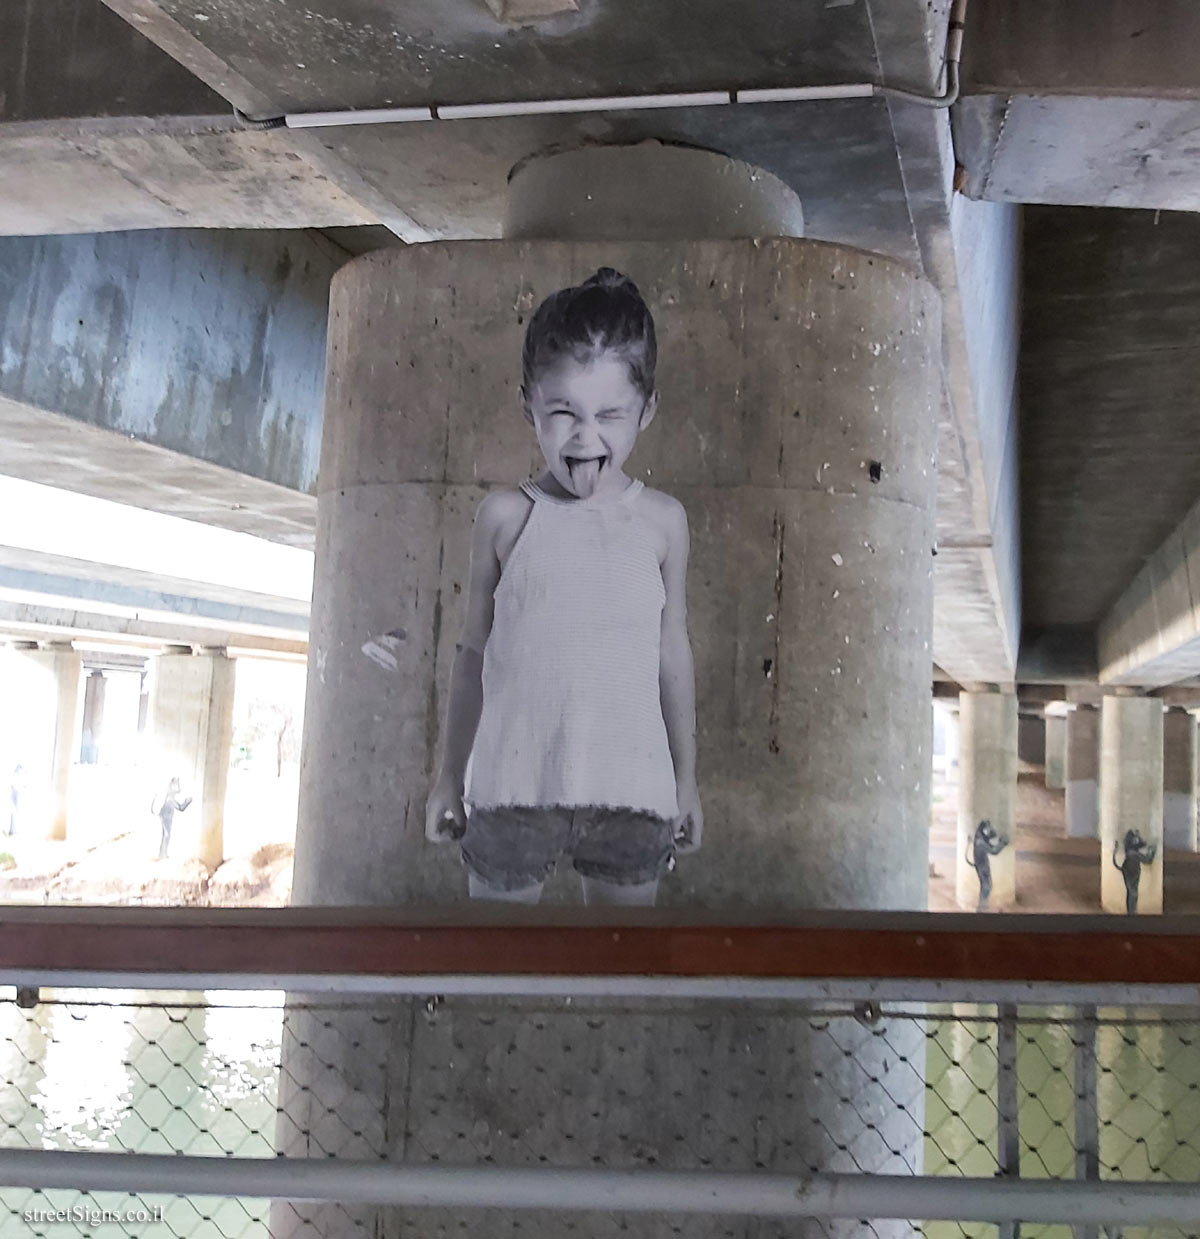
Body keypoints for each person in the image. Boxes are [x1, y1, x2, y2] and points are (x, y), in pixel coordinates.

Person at [425, 267, 702, 906]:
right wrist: (447, 776)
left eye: (610, 414)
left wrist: (686, 781)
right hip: (509, 791)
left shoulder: (663, 523)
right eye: (563, 413)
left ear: (646, 411)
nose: (586, 436)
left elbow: (672, 655)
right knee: (496, 986)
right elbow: (471, 655)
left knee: (619, 986)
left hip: (635, 795)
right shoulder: (503, 517)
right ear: (529, 407)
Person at [152, 776, 192, 860]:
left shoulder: (170, 794)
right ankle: (163, 854)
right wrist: (187, 801)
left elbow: (178, 791)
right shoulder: (170, 797)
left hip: (166, 815)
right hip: (167, 815)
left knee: (166, 835)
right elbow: (181, 808)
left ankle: (162, 854)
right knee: (167, 835)